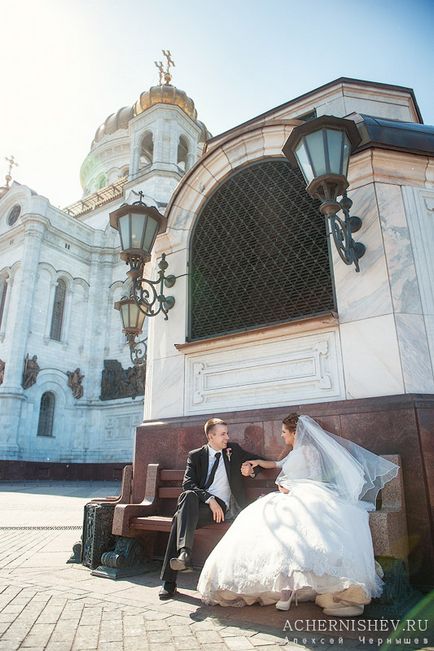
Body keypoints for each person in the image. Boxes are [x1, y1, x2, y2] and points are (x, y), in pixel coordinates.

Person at [198, 413, 399, 616]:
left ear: (295, 433)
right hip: (288, 494)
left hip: (306, 495)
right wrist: (256, 463)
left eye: (285, 432)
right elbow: (277, 465)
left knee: (293, 528)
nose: (282, 436)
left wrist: (288, 487)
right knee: (260, 520)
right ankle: (282, 587)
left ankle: (300, 587)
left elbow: (315, 477)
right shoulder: (294, 452)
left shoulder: (309, 452)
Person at [159, 417, 261, 600]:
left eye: (227, 433)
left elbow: (260, 462)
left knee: (178, 519)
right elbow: (188, 485)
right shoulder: (196, 455)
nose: (227, 437)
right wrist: (209, 498)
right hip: (202, 506)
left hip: (221, 510)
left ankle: (171, 578)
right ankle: (183, 554)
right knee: (187, 497)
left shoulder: (233, 451)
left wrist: (250, 469)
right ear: (210, 436)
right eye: (222, 434)